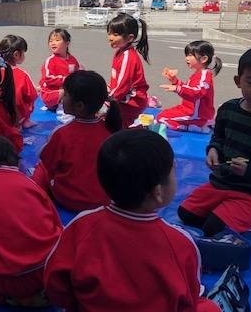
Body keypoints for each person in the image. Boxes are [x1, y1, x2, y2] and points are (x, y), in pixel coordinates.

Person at [44, 129, 220, 312]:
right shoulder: (181, 243)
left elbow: (54, 281)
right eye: (173, 172)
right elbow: (188, 302)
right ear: (158, 192)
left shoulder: (81, 225)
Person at [0, 135, 63, 306]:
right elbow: (56, 222)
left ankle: (17, 299)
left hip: (14, 280)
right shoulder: (29, 182)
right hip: (53, 268)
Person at [178, 47, 251, 237]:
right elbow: (218, 138)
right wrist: (213, 151)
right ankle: (227, 212)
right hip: (222, 184)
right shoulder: (228, 109)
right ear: (238, 81)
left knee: (213, 228)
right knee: (185, 213)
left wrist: (250, 170)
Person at [32, 70, 121, 211]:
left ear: (79, 105)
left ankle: (36, 202)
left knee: (41, 169)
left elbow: (48, 164)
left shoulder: (62, 133)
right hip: (103, 199)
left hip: (70, 199)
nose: (62, 98)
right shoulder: (111, 132)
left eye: (65, 94)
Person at [157, 40, 222, 133]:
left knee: (162, 118)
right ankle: (194, 125)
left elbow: (197, 93)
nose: (187, 58)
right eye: (186, 55)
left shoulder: (204, 75)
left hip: (196, 115)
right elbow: (189, 89)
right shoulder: (198, 74)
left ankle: (192, 127)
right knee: (162, 114)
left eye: (190, 55)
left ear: (204, 59)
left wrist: (177, 88)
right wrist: (174, 81)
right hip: (189, 110)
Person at [107, 13, 150, 128]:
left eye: (115, 34)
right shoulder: (119, 52)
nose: (110, 37)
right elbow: (117, 81)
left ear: (130, 38)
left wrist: (108, 100)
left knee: (111, 123)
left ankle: (138, 129)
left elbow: (123, 85)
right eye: (109, 33)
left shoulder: (128, 57)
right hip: (123, 98)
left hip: (131, 101)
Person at [0, 34, 38, 128]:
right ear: (16, 54)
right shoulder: (23, 75)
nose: (24, 55)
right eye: (23, 52)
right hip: (16, 117)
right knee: (31, 97)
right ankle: (25, 120)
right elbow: (31, 96)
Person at [39, 28, 80, 111]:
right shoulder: (50, 60)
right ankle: (60, 107)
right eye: (50, 41)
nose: (53, 43)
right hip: (52, 94)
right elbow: (48, 78)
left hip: (67, 92)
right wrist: (68, 80)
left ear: (67, 43)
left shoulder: (72, 59)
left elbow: (77, 73)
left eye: (57, 40)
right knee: (65, 91)